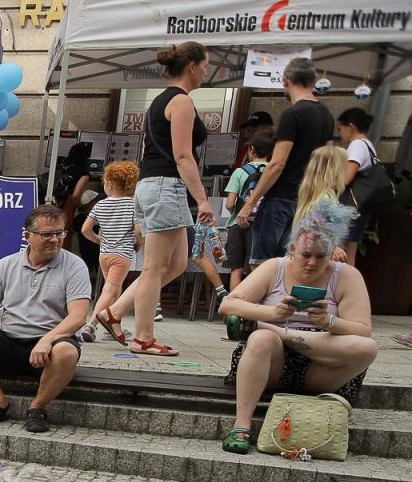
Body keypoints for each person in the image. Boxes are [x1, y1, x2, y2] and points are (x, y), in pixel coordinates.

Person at [216, 201, 377, 455]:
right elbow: (227, 305)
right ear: (292, 249)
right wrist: (274, 313)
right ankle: (241, 426)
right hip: (273, 363)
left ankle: (270, 329)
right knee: (261, 339)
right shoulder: (275, 267)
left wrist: (329, 322)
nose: (312, 263)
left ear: (333, 251)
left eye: (321, 256)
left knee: (367, 347)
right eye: (306, 255)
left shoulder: (346, 275)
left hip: (323, 366)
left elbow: (363, 330)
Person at [0, 204, 91, 434]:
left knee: (66, 351)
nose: (55, 240)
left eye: (60, 233)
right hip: (10, 339)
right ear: (27, 236)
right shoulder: (6, 265)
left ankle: (38, 408)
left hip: (50, 345)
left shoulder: (74, 265)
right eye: (47, 234)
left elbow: (78, 317)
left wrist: (48, 339)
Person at [128, 41, 214, 358]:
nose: (207, 71)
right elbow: (183, 155)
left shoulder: (160, 101)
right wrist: (202, 200)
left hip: (153, 183)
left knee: (176, 263)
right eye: (205, 64)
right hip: (167, 184)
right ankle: (143, 337)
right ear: (191, 65)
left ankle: (114, 312)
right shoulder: (181, 102)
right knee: (154, 267)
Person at [237, 57, 335, 266]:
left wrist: (250, 203)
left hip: (280, 197)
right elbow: (326, 161)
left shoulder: (293, 114)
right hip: (307, 198)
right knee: (290, 262)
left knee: (261, 263)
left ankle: (264, 300)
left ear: (286, 80)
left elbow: (277, 164)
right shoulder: (326, 115)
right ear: (313, 80)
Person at [82, 161, 141, 344]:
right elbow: (138, 230)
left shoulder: (100, 205)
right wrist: (139, 244)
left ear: (108, 182)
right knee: (111, 289)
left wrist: (99, 240)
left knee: (114, 288)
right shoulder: (132, 205)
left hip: (104, 253)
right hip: (122, 254)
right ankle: (91, 325)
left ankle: (114, 327)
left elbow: (85, 230)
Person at [224, 127, 272, 291]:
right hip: (262, 226)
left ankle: (234, 311)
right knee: (256, 269)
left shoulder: (240, 171)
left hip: (237, 225)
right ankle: (252, 308)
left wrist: (237, 213)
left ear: (251, 149)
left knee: (236, 269)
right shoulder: (274, 172)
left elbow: (230, 204)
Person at [336, 108, 381, 266]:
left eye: (340, 129)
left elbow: (346, 178)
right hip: (362, 206)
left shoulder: (357, 145)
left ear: (351, 126)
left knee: (340, 251)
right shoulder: (368, 145)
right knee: (350, 251)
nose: (340, 134)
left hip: (351, 206)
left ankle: (340, 289)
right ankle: (351, 288)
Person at [292, 147, 349, 247]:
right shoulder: (325, 199)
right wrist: (334, 248)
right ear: (335, 171)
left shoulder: (312, 196)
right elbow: (317, 232)